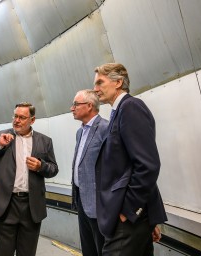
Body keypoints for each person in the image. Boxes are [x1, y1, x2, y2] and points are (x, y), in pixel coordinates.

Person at [93, 63, 167, 256]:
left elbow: (147, 165)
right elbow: (128, 166)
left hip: (128, 217)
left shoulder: (131, 107)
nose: (95, 89)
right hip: (134, 218)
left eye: (100, 82)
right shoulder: (118, 112)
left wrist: (130, 211)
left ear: (118, 82)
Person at [0, 102, 59, 256]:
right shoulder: (1, 136)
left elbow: (54, 169)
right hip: (5, 205)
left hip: (31, 207)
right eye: (15, 116)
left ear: (32, 120)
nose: (17, 120)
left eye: (22, 117)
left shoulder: (45, 141)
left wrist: (40, 167)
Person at [70, 89, 108, 256]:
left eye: (76, 104)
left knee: (102, 249)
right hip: (82, 201)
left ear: (90, 106)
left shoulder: (105, 128)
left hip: (100, 204)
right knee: (88, 250)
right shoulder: (80, 132)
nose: (72, 108)